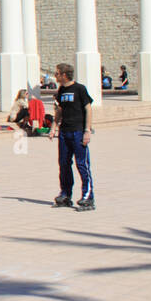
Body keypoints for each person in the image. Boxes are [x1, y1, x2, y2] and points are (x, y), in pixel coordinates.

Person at [52, 62, 95, 211]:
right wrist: (53, 127)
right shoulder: (61, 90)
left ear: (64, 74)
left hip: (78, 131)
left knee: (82, 164)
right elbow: (60, 110)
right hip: (64, 132)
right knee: (64, 163)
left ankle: (87, 197)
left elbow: (88, 109)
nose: (55, 76)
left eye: (57, 73)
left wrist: (87, 130)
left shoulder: (80, 89)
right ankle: (65, 194)